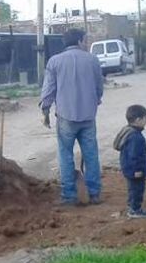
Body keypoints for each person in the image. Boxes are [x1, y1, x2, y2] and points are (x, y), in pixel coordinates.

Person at [40, 28, 104, 206]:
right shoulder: (92, 60)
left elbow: (48, 90)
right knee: (91, 155)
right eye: (85, 39)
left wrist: (45, 111)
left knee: (65, 155)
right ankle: (94, 194)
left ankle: (69, 195)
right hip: (88, 116)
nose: (86, 42)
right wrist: (96, 100)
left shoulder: (54, 62)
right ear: (79, 41)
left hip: (66, 117)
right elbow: (99, 87)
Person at [113, 104, 146, 218]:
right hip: (135, 170)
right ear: (138, 120)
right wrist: (138, 170)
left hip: (127, 167)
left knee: (132, 188)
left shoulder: (127, 131)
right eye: (145, 119)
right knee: (138, 189)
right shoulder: (136, 137)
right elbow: (134, 155)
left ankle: (132, 206)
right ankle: (135, 210)